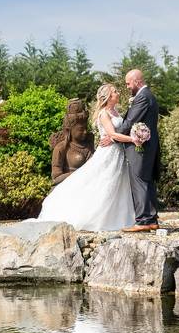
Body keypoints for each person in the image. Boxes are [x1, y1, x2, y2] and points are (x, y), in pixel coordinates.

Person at [33, 83, 136, 231]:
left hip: (118, 152)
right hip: (108, 153)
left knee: (118, 184)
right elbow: (112, 134)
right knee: (104, 184)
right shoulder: (104, 113)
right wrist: (133, 139)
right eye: (114, 92)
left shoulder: (115, 112)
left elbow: (117, 133)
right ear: (107, 97)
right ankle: (96, 218)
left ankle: (118, 217)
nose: (118, 93)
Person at [100, 69, 160, 231]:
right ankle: (151, 219)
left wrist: (112, 137)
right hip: (145, 146)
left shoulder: (142, 97)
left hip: (140, 147)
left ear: (137, 81)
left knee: (139, 181)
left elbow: (129, 122)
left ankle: (144, 221)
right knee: (146, 181)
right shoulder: (148, 96)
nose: (126, 87)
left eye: (128, 83)